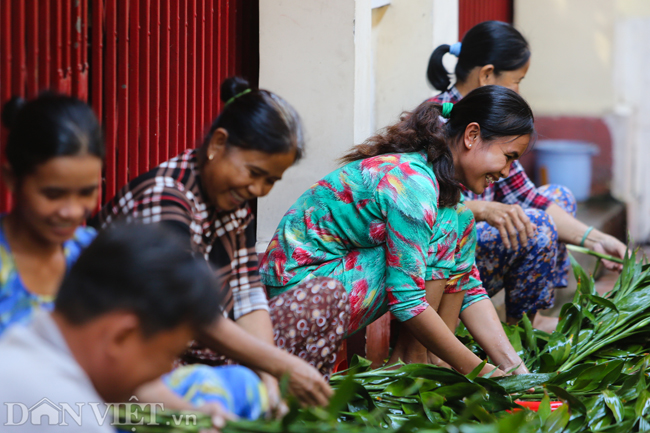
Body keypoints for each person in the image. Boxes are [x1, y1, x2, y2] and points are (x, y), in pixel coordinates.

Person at [95, 77, 344, 409]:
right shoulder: (166, 198)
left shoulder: (233, 205)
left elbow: (248, 298)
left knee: (325, 297)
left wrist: (270, 380)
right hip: (149, 351)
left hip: (210, 346)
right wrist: (282, 365)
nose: (258, 189)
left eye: (270, 180)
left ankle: (274, 409)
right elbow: (185, 312)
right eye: (254, 172)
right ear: (218, 144)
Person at [260, 86, 535, 376]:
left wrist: (517, 372)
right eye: (508, 156)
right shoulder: (414, 186)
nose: (506, 172)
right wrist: (479, 372)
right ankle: (412, 360)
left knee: (460, 218)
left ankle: (429, 357)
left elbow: (469, 288)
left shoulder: (439, 193)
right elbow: (408, 301)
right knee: (445, 225)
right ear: (472, 135)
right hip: (297, 299)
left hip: (334, 281)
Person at [427, 21, 627, 330]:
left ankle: (530, 315)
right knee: (539, 225)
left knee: (556, 197)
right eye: (517, 80)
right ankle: (518, 329)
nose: (520, 90)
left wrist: (596, 240)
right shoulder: (438, 122)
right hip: (440, 260)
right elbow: (424, 208)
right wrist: (481, 209)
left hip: (474, 247)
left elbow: (529, 197)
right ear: (487, 75)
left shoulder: (492, 118)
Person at [0, 224, 228, 432]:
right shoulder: (75, 417)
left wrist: (187, 416)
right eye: (169, 355)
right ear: (121, 336)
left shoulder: (18, 348)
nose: (167, 370)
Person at [0, 94, 101, 336]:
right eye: (53, 195)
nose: (72, 211)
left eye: (87, 192)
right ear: (12, 179)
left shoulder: (95, 255)